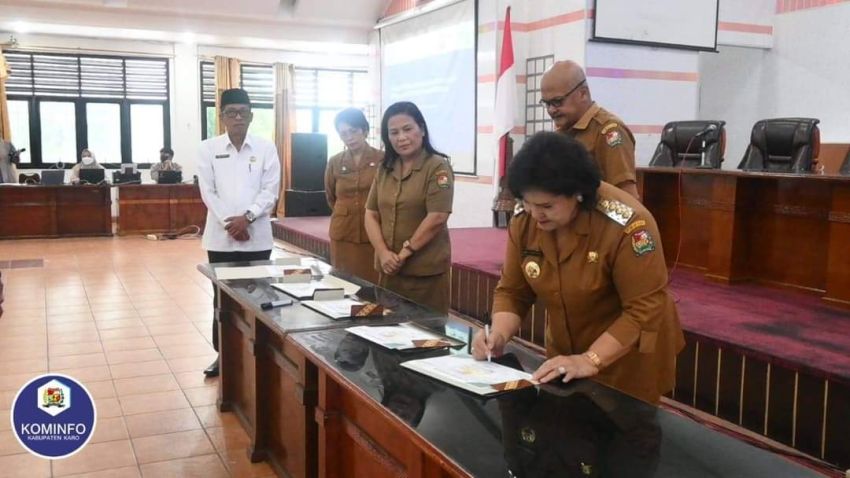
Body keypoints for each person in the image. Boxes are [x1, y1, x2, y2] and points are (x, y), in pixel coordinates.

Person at [472, 132, 684, 404]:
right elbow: (513, 291)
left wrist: (591, 359)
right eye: (527, 202)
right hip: (566, 354)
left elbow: (644, 309)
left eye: (547, 206)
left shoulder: (628, 225)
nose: (536, 214)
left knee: (623, 440)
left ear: (578, 194)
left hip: (626, 358)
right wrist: (498, 333)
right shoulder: (526, 221)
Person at [197, 88, 281, 377]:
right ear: (221, 117)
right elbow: (208, 192)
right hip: (221, 239)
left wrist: (247, 218)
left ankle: (257, 356)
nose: (237, 118)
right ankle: (224, 356)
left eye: (243, 112)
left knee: (259, 297)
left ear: (251, 116)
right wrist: (229, 223)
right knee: (222, 299)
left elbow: (271, 190)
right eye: (231, 113)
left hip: (256, 237)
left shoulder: (265, 147)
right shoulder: (208, 148)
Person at [364, 101, 454, 314]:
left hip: (423, 273)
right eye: (393, 132)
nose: (401, 137)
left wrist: (403, 254)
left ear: (421, 129)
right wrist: (384, 253)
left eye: (407, 129)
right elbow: (371, 213)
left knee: (425, 337)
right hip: (389, 271)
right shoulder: (385, 168)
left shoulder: (437, 167)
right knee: (387, 334)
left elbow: (437, 216)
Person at [540, 60, 639, 199]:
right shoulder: (560, 133)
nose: (551, 110)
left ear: (583, 94)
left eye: (557, 101)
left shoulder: (608, 132)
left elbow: (627, 199)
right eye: (546, 103)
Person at [324, 108, 382, 284]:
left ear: (365, 131)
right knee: (343, 285)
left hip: (374, 233)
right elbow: (331, 196)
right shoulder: (335, 162)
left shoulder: (382, 159)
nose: (349, 137)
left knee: (371, 286)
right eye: (344, 133)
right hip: (343, 233)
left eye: (354, 131)